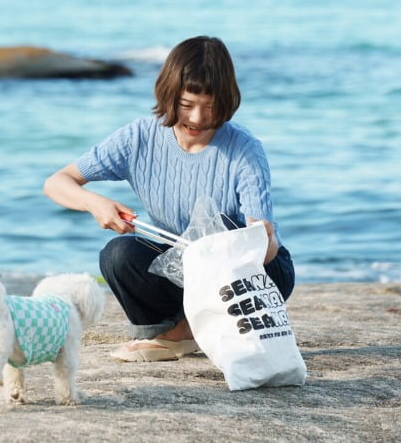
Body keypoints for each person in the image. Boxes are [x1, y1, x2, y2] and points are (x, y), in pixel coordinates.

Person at [43, 35, 295, 362]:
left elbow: (267, 245)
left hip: (246, 275)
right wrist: (96, 203)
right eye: (186, 105)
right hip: (178, 266)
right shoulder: (139, 137)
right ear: (168, 94)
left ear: (227, 100)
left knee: (233, 229)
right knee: (118, 255)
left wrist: (250, 242)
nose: (197, 118)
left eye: (211, 106)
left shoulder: (244, 148)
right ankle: (175, 330)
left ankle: (183, 334)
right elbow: (57, 182)